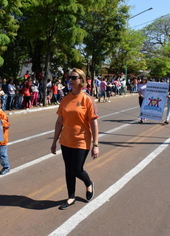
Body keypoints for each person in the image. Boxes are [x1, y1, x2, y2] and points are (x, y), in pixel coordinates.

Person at [51, 68, 99, 210]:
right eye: (69, 77)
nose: (70, 80)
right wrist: (54, 142)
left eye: (74, 77)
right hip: (66, 141)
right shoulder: (65, 99)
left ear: (81, 80)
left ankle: (89, 183)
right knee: (68, 169)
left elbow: (93, 122)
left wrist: (95, 144)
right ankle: (71, 196)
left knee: (77, 169)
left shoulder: (87, 99)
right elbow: (59, 122)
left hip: (82, 140)